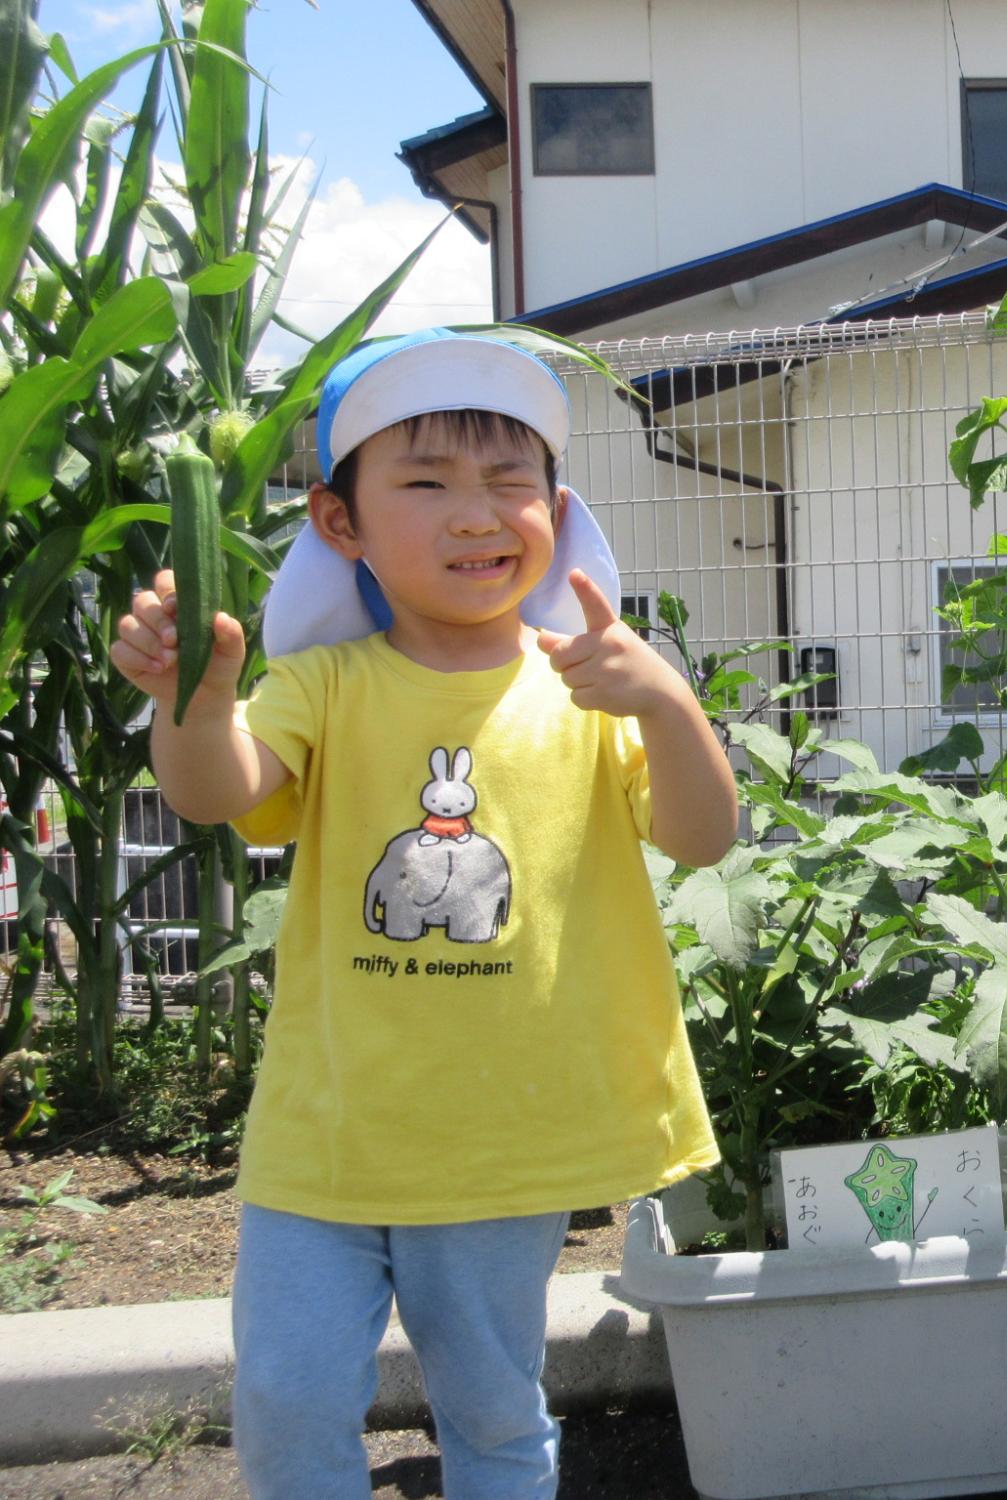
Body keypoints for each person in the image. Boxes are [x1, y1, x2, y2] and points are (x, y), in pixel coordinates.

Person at [111, 329, 736, 1498]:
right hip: (325, 1134)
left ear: (553, 508)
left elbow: (702, 836)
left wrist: (666, 702)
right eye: (426, 482)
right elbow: (222, 794)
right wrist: (192, 703)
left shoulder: (588, 682)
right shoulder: (322, 684)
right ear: (338, 524)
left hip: (505, 1143)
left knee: (494, 1414)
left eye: (510, 484)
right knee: (288, 1403)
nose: (474, 515)